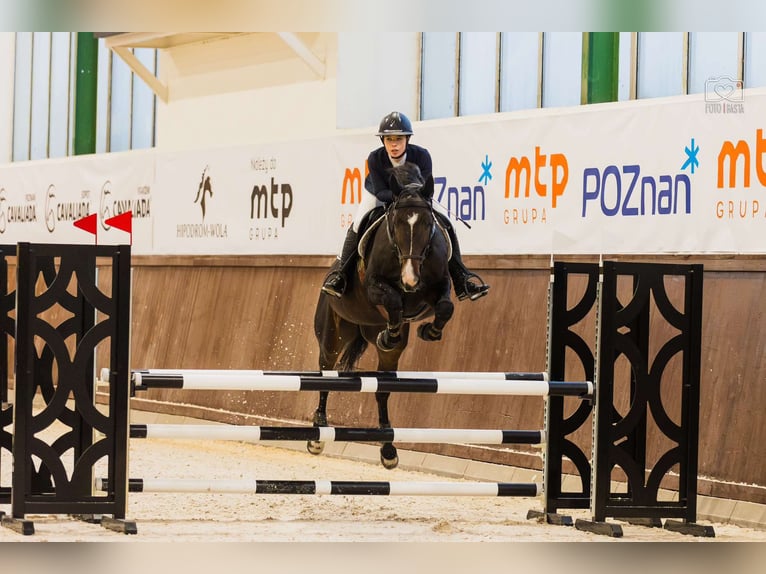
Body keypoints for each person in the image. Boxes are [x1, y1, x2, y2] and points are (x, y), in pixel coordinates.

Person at [322, 111, 489, 302]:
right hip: (381, 194)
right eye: (389, 139)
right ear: (383, 140)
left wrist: (411, 198)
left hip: (415, 198)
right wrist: (400, 197)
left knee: (446, 222)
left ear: (407, 139)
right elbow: (381, 190)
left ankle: (461, 278)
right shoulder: (375, 158)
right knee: (359, 222)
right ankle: (341, 275)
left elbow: (426, 188)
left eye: (399, 139)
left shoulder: (422, 155)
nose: (394, 144)